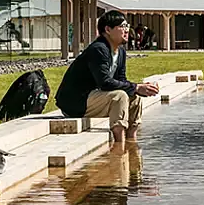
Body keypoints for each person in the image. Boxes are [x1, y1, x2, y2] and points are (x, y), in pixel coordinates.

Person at [55, 10, 159, 144]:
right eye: (122, 26)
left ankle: (131, 143)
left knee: (135, 99)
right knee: (119, 96)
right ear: (108, 29)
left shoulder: (120, 51)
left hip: (95, 97)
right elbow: (104, 82)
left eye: (127, 26)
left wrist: (140, 89)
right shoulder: (98, 49)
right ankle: (119, 147)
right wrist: (137, 86)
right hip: (76, 102)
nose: (126, 30)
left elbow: (121, 80)